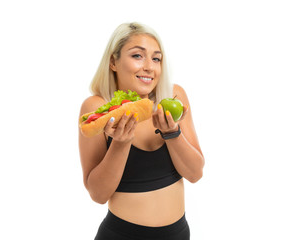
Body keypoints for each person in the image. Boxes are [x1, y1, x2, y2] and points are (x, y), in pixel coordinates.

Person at [78, 22, 205, 240]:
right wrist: (120, 143)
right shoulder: (98, 108)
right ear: (113, 62)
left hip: (178, 234)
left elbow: (195, 174)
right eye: (137, 56)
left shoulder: (173, 97)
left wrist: (172, 134)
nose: (149, 66)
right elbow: (98, 195)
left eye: (156, 58)